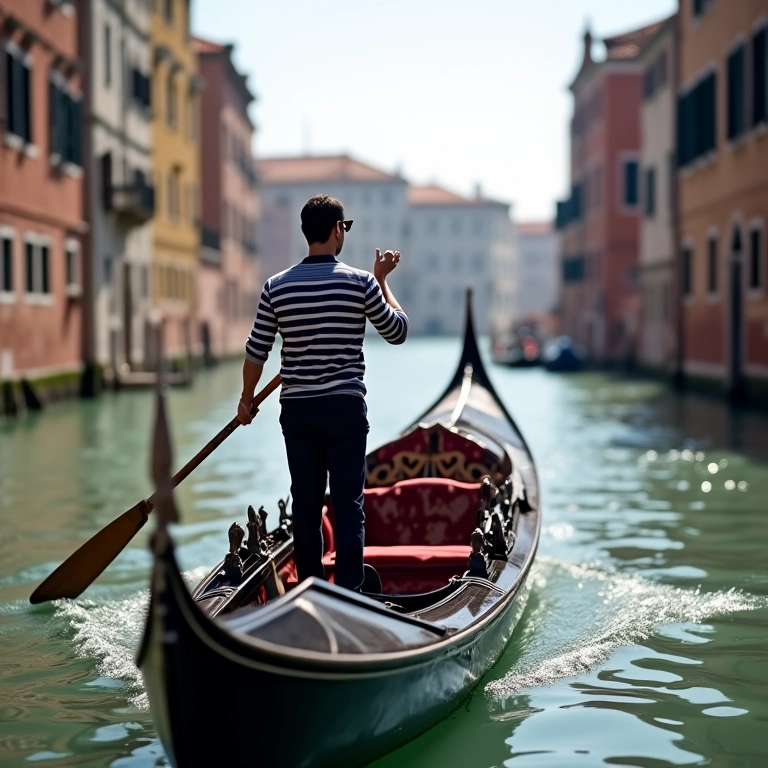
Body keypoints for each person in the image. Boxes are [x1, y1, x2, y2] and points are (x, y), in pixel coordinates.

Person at [237, 194, 408, 591]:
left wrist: (247, 400)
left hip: (298, 410)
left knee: (306, 507)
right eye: (345, 228)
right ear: (336, 230)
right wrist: (382, 280)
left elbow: (256, 351)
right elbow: (398, 330)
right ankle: (349, 594)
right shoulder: (361, 282)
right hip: (345, 409)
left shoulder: (275, 287)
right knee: (348, 507)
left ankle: (311, 592)